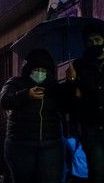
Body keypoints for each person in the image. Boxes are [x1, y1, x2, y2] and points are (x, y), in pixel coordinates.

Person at [0, 48, 68, 183]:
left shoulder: (54, 87)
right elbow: (4, 100)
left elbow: (67, 105)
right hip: (21, 144)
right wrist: (26, 94)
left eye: (43, 70)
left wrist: (71, 83)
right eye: (36, 70)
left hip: (51, 144)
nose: (40, 73)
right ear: (28, 69)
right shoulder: (15, 82)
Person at [67, 29, 104, 183]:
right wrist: (72, 81)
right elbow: (73, 98)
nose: (94, 43)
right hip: (91, 124)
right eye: (90, 40)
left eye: (97, 39)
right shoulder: (79, 65)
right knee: (97, 168)